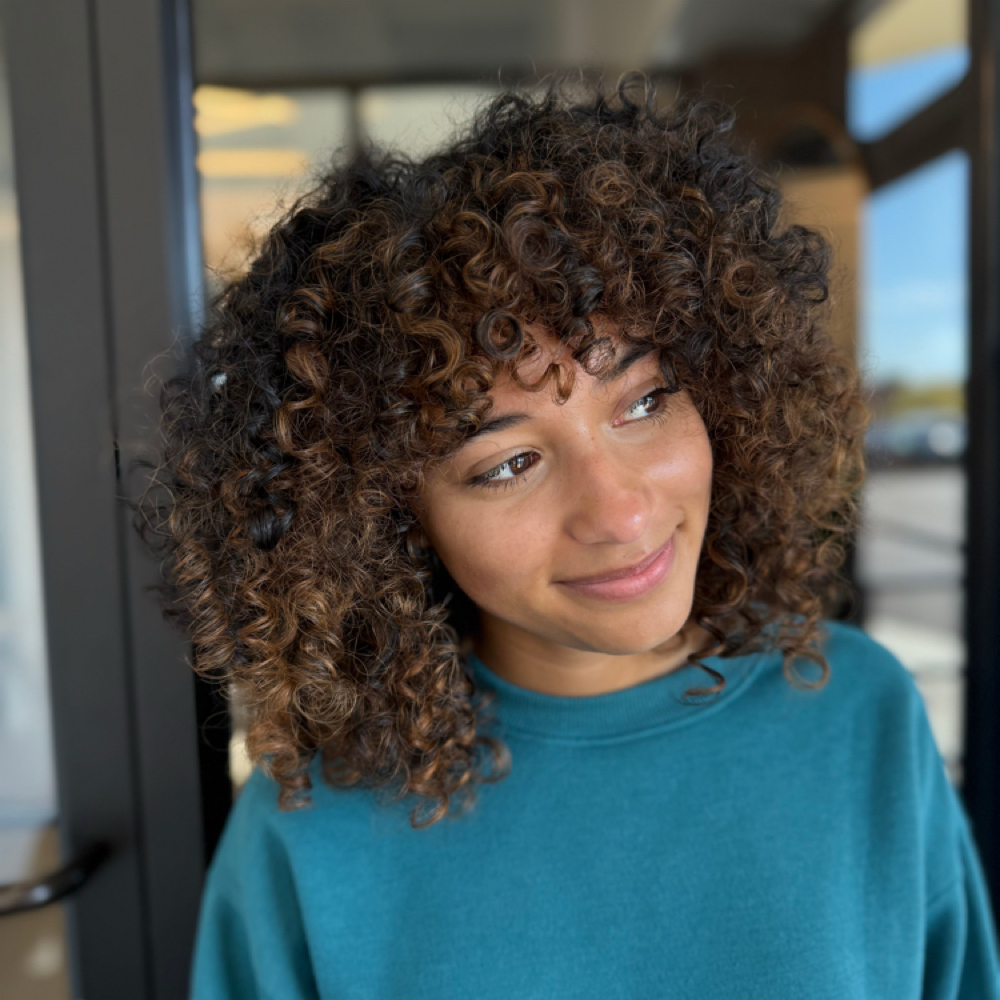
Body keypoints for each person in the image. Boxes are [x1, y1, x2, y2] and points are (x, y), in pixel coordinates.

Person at [138, 73, 1000, 998]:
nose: (622, 514)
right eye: (507, 464)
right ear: (383, 519)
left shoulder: (857, 715)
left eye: (644, 400)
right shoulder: (313, 820)